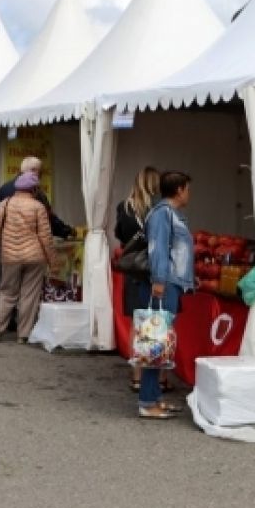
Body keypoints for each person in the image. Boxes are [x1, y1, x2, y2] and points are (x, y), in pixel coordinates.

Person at [137, 170, 194, 420]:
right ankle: (147, 401)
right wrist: (159, 280)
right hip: (164, 284)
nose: (189, 194)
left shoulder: (171, 214)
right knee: (155, 342)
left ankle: (155, 398)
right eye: (188, 189)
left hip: (172, 282)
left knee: (161, 342)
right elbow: (157, 249)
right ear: (179, 189)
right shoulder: (162, 214)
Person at [0, 172, 55, 343]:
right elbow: (45, 236)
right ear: (34, 189)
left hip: (10, 256)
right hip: (34, 257)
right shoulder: (38, 207)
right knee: (29, 295)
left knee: (7, 292)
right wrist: (52, 260)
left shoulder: (5, 204)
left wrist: (0, 244)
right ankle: (24, 334)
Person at [114, 166, 162, 393]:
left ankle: (136, 376)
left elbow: (119, 234)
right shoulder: (160, 209)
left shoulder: (125, 207)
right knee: (157, 322)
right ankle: (158, 376)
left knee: (137, 322)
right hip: (153, 269)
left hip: (133, 268)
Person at [0, 156, 73, 240]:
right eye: (40, 173)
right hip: (29, 248)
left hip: (6, 247)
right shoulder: (37, 194)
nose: (41, 177)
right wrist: (68, 231)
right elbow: (49, 221)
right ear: (34, 171)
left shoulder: (3, 189)